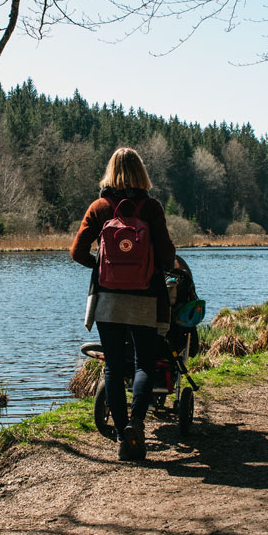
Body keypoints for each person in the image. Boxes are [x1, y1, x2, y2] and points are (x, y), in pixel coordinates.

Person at [70, 147, 176, 460]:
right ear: (141, 173)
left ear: (110, 172)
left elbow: (77, 252)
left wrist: (104, 268)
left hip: (107, 298)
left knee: (114, 366)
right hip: (146, 296)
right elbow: (168, 256)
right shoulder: (152, 208)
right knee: (145, 362)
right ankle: (137, 424)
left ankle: (120, 434)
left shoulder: (99, 207)